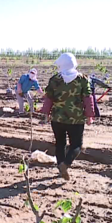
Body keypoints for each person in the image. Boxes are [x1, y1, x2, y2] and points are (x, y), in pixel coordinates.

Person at [41, 53, 95, 181]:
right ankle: (65, 164)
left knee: (60, 143)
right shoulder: (82, 80)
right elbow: (88, 98)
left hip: (57, 118)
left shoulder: (55, 79)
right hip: (75, 119)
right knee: (76, 144)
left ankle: (60, 165)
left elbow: (49, 98)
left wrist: (46, 114)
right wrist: (89, 116)